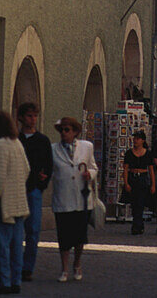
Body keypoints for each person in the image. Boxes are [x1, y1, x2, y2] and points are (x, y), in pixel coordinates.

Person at [0, 110, 30, 296]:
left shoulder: (1, 145)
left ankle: (4, 281)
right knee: (16, 245)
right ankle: (15, 281)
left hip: (5, 202)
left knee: (1, 245)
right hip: (19, 201)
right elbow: (27, 169)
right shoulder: (17, 143)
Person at [51, 116, 98, 283]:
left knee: (79, 236)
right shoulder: (53, 149)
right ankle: (64, 268)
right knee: (63, 237)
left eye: (67, 130)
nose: (64, 133)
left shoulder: (87, 147)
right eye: (62, 130)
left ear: (75, 132)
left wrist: (90, 174)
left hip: (82, 198)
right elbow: (49, 171)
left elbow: (93, 167)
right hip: (63, 198)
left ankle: (77, 263)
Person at [17, 102, 53, 282]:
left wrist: (42, 183)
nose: (33, 119)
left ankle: (27, 268)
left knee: (33, 231)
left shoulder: (42, 141)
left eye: (35, 115)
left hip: (34, 191)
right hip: (17, 190)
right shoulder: (16, 140)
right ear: (22, 117)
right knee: (15, 231)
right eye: (30, 115)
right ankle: (16, 265)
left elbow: (49, 165)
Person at [123, 129, 155, 235]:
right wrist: (126, 182)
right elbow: (125, 169)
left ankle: (137, 225)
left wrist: (153, 184)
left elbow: (151, 170)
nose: (135, 141)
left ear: (143, 140)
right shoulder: (129, 153)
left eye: (138, 139)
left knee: (141, 202)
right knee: (134, 202)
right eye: (134, 138)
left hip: (143, 178)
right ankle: (138, 223)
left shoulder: (148, 154)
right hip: (132, 178)